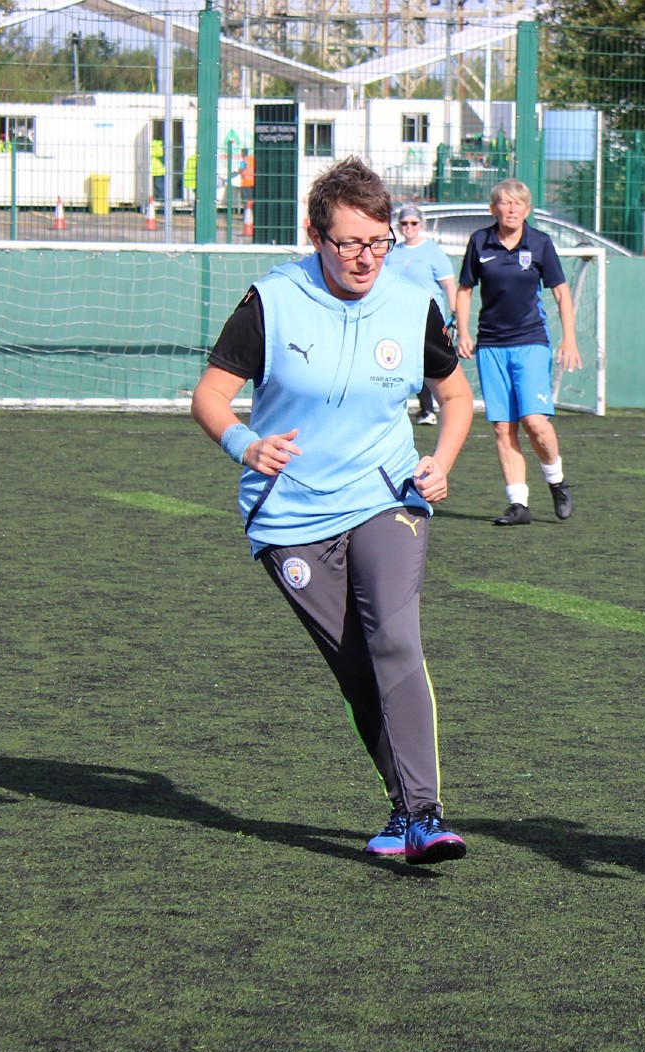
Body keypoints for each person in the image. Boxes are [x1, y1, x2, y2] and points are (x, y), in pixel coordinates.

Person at [189, 156, 476, 864]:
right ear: (316, 236)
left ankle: (424, 814)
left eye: (378, 242)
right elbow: (209, 397)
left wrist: (439, 462)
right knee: (355, 669)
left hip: (387, 495)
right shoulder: (272, 301)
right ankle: (401, 809)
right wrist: (244, 444)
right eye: (349, 242)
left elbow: (457, 397)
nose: (365, 258)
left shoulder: (413, 304)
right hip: (288, 514)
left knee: (395, 641)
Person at [451, 178, 581, 525]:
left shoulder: (540, 243)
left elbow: (561, 292)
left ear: (528, 209)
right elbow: (464, 290)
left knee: (535, 422)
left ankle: (556, 481)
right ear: (493, 208)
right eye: (504, 203)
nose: (511, 209)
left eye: (518, 204)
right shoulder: (480, 241)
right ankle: (518, 504)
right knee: (502, 427)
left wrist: (569, 338)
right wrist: (462, 331)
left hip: (531, 342)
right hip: (491, 346)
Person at [383, 202, 456, 425]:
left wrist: (455, 316)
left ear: (420, 224)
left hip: (426, 318)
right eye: (404, 223)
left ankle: (430, 410)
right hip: (397, 317)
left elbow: (449, 285)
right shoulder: (392, 252)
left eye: (413, 223)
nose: (409, 227)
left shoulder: (432, 251)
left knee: (426, 364)